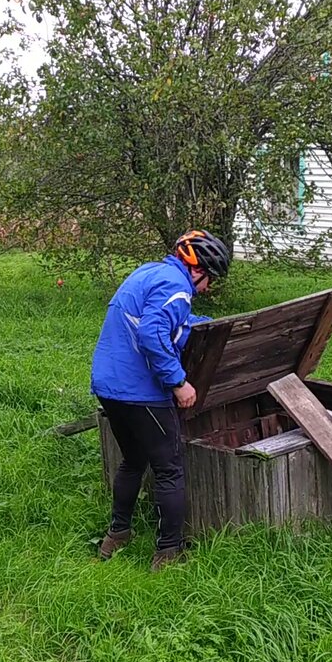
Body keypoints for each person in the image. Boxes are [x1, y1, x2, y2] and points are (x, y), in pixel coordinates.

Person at [90, 229, 231, 571]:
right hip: (140, 391)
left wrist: (208, 324)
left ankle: (117, 535)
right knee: (169, 469)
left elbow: (165, 320)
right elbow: (152, 334)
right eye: (209, 279)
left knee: (133, 460)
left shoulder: (150, 272)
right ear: (197, 270)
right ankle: (169, 552)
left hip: (108, 385)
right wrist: (178, 382)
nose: (207, 288)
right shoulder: (177, 287)